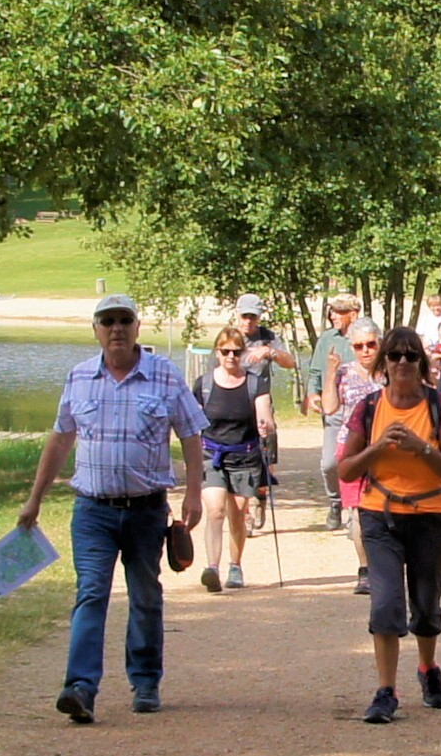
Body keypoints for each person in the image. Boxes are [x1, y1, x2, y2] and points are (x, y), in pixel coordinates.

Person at [18, 294, 207, 723]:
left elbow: (192, 435)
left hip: (145, 510)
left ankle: (145, 681)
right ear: (96, 330)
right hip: (92, 511)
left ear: (138, 327)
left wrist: (193, 494)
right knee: (91, 595)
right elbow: (61, 438)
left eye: (125, 321)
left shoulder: (165, 375)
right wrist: (35, 498)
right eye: (108, 321)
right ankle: (80, 688)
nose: (117, 329)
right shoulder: (80, 376)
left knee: (145, 596)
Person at [335, 325, 441, 723]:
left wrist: (420, 447)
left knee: (425, 606)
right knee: (386, 603)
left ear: (422, 363)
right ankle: (386, 691)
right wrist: (378, 447)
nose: (403, 362)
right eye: (395, 355)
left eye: (411, 355)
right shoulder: (369, 408)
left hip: (430, 515)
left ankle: (428, 667)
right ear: (384, 363)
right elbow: (345, 469)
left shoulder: (440, 406)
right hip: (380, 515)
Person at [192, 328, 274, 591]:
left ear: (243, 353)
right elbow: (192, 423)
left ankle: (235, 566)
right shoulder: (203, 384)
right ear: (217, 352)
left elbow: (264, 412)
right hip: (211, 455)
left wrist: (266, 425)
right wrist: (190, 459)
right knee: (215, 509)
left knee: (237, 513)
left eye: (236, 352)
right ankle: (212, 568)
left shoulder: (254, 382)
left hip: (245, 455)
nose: (230, 356)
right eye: (225, 351)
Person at [323, 318, 385, 594]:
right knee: (358, 513)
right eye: (359, 346)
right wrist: (330, 372)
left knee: (386, 511)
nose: (365, 351)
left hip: (386, 452)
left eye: (371, 344)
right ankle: (365, 570)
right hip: (351, 449)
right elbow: (329, 407)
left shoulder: (392, 373)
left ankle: (387, 566)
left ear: (380, 343)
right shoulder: (344, 372)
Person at [233, 294, 296, 531]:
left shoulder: (268, 337)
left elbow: (290, 362)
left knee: (266, 458)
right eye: (244, 316)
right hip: (236, 406)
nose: (248, 321)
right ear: (237, 314)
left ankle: (260, 496)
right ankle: (246, 513)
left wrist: (269, 352)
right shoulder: (229, 338)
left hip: (263, 405)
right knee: (240, 459)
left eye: (253, 316)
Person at [306, 293, 360, 532]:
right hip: (334, 408)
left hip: (360, 410)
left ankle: (355, 509)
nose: (333, 316)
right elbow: (315, 372)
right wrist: (313, 394)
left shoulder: (367, 337)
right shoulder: (327, 339)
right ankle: (335, 502)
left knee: (359, 460)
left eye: (339, 311)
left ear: (353, 314)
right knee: (329, 463)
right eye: (332, 311)